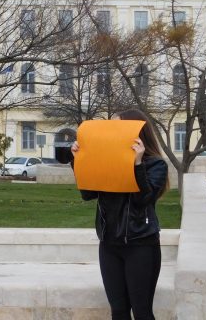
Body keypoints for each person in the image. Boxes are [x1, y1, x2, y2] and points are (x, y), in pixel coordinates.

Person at [71, 109, 169, 320]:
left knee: (142, 312)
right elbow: (88, 194)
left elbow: (143, 199)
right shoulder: (106, 162)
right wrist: (79, 160)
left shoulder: (155, 164)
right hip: (109, 245)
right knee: (118, 311)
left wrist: (137, 164)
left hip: (141, 245)